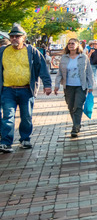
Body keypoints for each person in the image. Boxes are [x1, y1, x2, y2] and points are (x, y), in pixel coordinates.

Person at [0, 24, 52, 153]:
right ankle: (6, 142)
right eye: (12, 36)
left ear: (23, 38)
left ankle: (25, 139)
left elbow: (42, 67)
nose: (14, 38)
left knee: (26, 116)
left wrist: (47, 84)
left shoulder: (32, 51)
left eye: (17, 36)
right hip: (7, 90)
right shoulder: (3, 51)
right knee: (8, 117)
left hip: (26, 90)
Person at [53, 38, 93, 138]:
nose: (71, 45)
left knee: (78, 106)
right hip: (68, 86)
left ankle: (75, 127)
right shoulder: (64, 58)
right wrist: (57, 85)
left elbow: (89, 72)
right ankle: (76, 123)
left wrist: (90, 85)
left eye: (73, 43)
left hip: (81, 86)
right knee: (71, 106)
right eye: (69, 43)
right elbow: (60, 72)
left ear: (77, 45)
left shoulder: (83, 57)